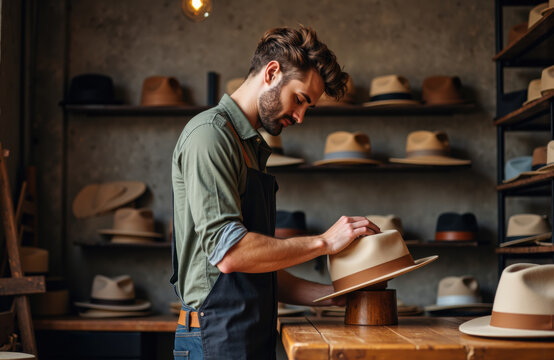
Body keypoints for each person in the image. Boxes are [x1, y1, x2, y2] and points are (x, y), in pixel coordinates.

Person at [170, 26, 379, 360]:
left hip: (249, 334)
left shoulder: (251, 148)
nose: (299, 116)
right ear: (271, 73)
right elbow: (231, 254)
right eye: (299, 99)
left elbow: (260, 267)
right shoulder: (210, 136)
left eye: (307, 107)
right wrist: (324, 242)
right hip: (214, 338)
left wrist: (331, 294)